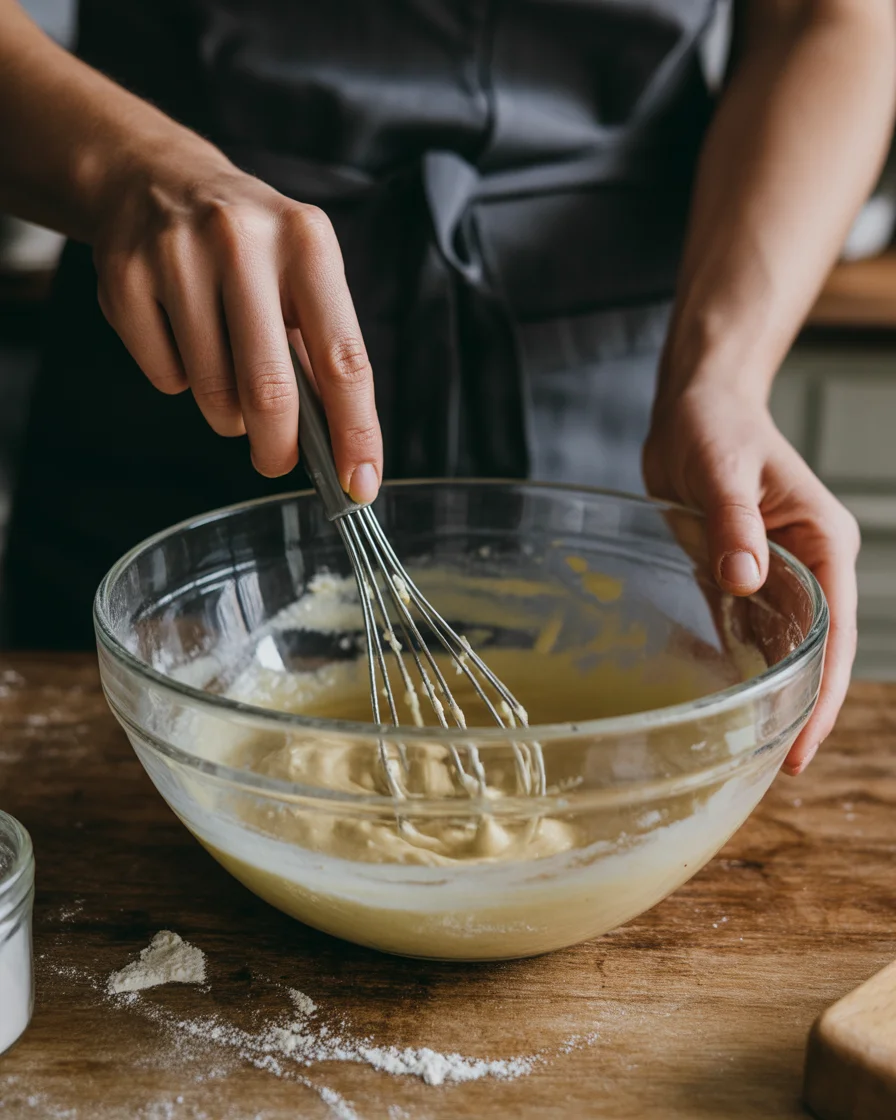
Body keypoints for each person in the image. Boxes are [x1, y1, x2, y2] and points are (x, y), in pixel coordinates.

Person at [0, 0, 892, 777]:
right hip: (186, 344)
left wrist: (721, 375)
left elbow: (825, 17)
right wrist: (122, 164)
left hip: (621, 386)